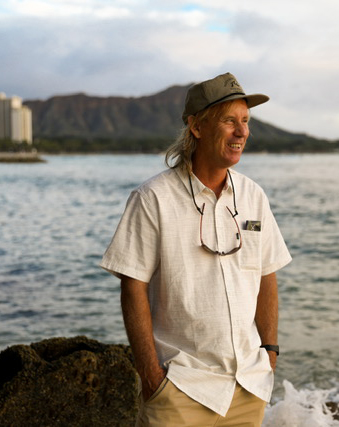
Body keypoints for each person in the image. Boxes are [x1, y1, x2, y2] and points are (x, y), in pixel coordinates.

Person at [100, 72, 292, 427]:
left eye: (246, 121)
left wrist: (270, 352)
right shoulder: (153, 198)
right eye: (230, 121)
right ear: (197, 127)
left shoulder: (253, 196)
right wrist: (150, 376)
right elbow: (133, 286)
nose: (242, 132)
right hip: (181, 389)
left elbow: (267, 273)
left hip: (249, 386)